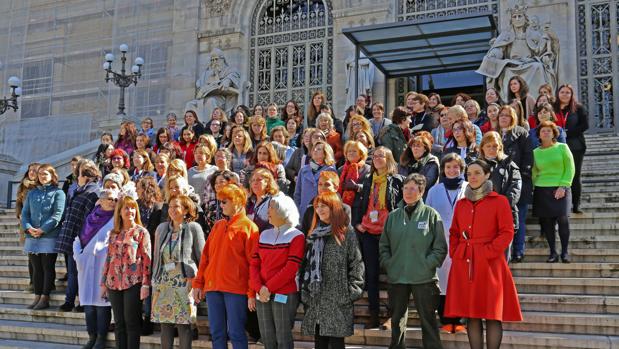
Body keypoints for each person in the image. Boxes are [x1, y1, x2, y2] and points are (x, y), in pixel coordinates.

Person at [445, 160, 523, 349]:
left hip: (490, 265)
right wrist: (455, 252)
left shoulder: (500, 201)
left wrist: (489, 252)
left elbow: (507, 232)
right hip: (465, 263)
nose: (472, 177)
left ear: (487, 175)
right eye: (469, 173)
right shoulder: (462, 204)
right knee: (471, 314)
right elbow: (454, 232)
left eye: (477, 173)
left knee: (492, 315)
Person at [380, 174, 447, 349]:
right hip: (397, 276)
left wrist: (427, 264)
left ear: (421, 191)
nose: (408, 192)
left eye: (413, 188)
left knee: (428, 320)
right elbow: (384, 246)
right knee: (397, 320)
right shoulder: (393, 216)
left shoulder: (431, 215)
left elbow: (440, 248)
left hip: (423, 278)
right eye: (405, 188)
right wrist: (390, 264)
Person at [192, 184, 259, 349]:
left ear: (237, 202)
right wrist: (198, 283)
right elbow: (205, 257)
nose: (220, 205)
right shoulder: (218, 225)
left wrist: (251, 293)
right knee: (216, 332)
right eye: (220, 201)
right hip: (213, 287)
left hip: (236, 289)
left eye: (224, 202)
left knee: (236, 332)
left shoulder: (249, 227)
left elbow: (254, 263)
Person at [300, 192, 364, 349]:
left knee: (336, 345)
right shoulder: (313, 234)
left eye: (324, 206)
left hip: (338, 301)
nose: (320, 210)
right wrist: (306, 293)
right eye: (317, 206)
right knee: (319, 344)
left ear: (334, 207)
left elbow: (357, 264)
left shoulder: (346, 233)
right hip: (317, 302)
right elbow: (307, 266)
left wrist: (350, 293)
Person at [352, 146, 403, 328]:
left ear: (389, 159)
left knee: (392, 275)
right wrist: (357, 223)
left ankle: (391, 316)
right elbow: (358, 203)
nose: (377, 158)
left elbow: (400, 206)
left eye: (381, 156)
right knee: (371, 275)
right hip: (368, 233)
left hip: (388, 235)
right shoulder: (367, 179)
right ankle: (373, 315)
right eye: (375, 156)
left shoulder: (397, 180)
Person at [249, 195, 305, 349]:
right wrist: (258, 287)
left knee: (283, 336)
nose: (268, 210)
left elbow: (291, 268)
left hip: (284, 293)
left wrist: (268, 287)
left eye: (272, 207)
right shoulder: (263, 235)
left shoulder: (297, 236)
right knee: (266, 337)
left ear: (283, 210)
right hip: (262, 292)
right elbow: (254, 264)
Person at [151, 195, 205, 349]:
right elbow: (157, 258)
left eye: (177, 206)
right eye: (170, 207)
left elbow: (202, 257)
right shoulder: (161, 228)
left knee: (184, 325)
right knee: (165, 326)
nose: (172, 210)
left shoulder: (194, 228)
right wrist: (154, 280)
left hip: (185, 283)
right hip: (164, 283)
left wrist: (200, 282)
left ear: (186, 209)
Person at [101, 196, 152, 349]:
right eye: (126, 207)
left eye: (132, 207)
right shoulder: (113, 233)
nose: (129, 211)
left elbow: (147, 260)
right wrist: (103, 283)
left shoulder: (141, 232)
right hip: (113, 282)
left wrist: (145, 284)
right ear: (120, 211)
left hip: (133, 282)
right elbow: (108, 258)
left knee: (132, 322)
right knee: (119, 323)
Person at [425, 153, 467, 334]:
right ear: (443, 169)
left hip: (464, 242)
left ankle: (460, 320)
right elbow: (428, 216)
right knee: (442, 282)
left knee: (461, 281)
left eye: (456, 167)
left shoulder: (469, 188)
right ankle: (445, 320)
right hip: (440, 241)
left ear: (461, 169)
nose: (452, 170)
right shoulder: (435, 190)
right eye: (448, 167)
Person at [55, 160, 102, 312]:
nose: (77, 177)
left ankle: (82, 301)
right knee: (73, 272)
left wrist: (83, 240)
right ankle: (70, 300)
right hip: (72, 237)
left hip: (82, 240)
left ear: (87, 176)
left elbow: (89, 220)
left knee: (80, 272)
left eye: (79, 174)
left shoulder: (92, 192)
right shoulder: (79, 190)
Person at [73, 189, 117, 349]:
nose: (112, 202)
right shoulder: (90, 217)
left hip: (104, 265)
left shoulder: (116, 219)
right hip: (86, 264)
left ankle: (101, 338)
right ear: (101, 200)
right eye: (109, 199)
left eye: (115, 199)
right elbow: (78, 238)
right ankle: (91, 336)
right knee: (89, 305)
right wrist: (78, 255)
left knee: (102, 304)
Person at [21, 164, 66, 310]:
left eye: (45, 174)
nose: (42, 176)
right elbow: (25, 213)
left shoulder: (59, 193)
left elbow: (57, 215)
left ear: (53, 176)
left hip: (49, 235)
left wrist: (42, 230)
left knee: (47, 267)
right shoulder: (32, 193)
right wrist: (28, 228)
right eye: (40, 174)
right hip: (32, 236)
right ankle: (37, 295)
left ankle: (45, 297)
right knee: (36, 268)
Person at [532, 121, 575, 263]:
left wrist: (563, 186)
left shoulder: (563, 147)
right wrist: (533, 186)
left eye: (549, 131)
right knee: (547, 222)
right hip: (542, 189)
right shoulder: (535, 152)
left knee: (563, 218)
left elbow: (570, 168)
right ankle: (553, 253)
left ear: (554, 133)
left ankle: (565, 252)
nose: (545, 133)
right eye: (543, 131)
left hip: (561, 188)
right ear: (538, 134)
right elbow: (534, 172)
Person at [478, 132, 522, 260]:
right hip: (481, 218)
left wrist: (499, 208)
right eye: (488, 146)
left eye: (495, 146)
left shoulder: (510, 165)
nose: (492, 149)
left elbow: (515, 189)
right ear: (482, 147)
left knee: (502, 260)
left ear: (500, 147)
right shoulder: (475, 167)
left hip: (505, 216)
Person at [554, 84, 588, 213]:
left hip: (575, 146)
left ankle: (576, 204)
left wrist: (568, 133)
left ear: (571, 94)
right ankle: (560, 204)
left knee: (575, 175)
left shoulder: (578, 108)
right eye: (562, 92)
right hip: (556, 146)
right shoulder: (553, 108)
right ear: (558, 94)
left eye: (568, 92)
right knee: (559, 176)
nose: (565, 94)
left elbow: (585, 125)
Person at [294, 140, 338, 218]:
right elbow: (297, 193)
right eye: (314, 148)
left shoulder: (331, 170)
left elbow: (333, 193)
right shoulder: (303, 169)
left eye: (318, 149)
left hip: (322, 212)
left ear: (326, 153)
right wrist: (297, 210)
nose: (314, 150)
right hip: (304, 212)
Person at [16, 162, 40, 292]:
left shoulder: (40, 187)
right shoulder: (23, 186)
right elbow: (18, 203)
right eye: (30, 170)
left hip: (37, 225)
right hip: (25, 225)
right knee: (31, 256)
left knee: (38, 257)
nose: (31, 172)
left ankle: (39, 283)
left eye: (34, 171)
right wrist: (19, 214)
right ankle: (32, 282)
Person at [398, 135, 440, 199]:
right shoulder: (404, 161)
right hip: (405, 198)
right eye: (413, 146)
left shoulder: (432, 161)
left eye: (418, 146)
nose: (415, 148)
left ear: (425, 149)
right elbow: (400, 181)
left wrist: (410, 186)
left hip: (425, 198)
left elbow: (428, 183)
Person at [338, 141, 370, 207]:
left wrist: (357, 186)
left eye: (354, 151)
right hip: (341, 206)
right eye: (349, 151)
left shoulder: (368, 169)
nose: (351, 153)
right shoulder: (341, 169)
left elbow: (371, 188)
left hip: (360, 206)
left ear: (361, 154)